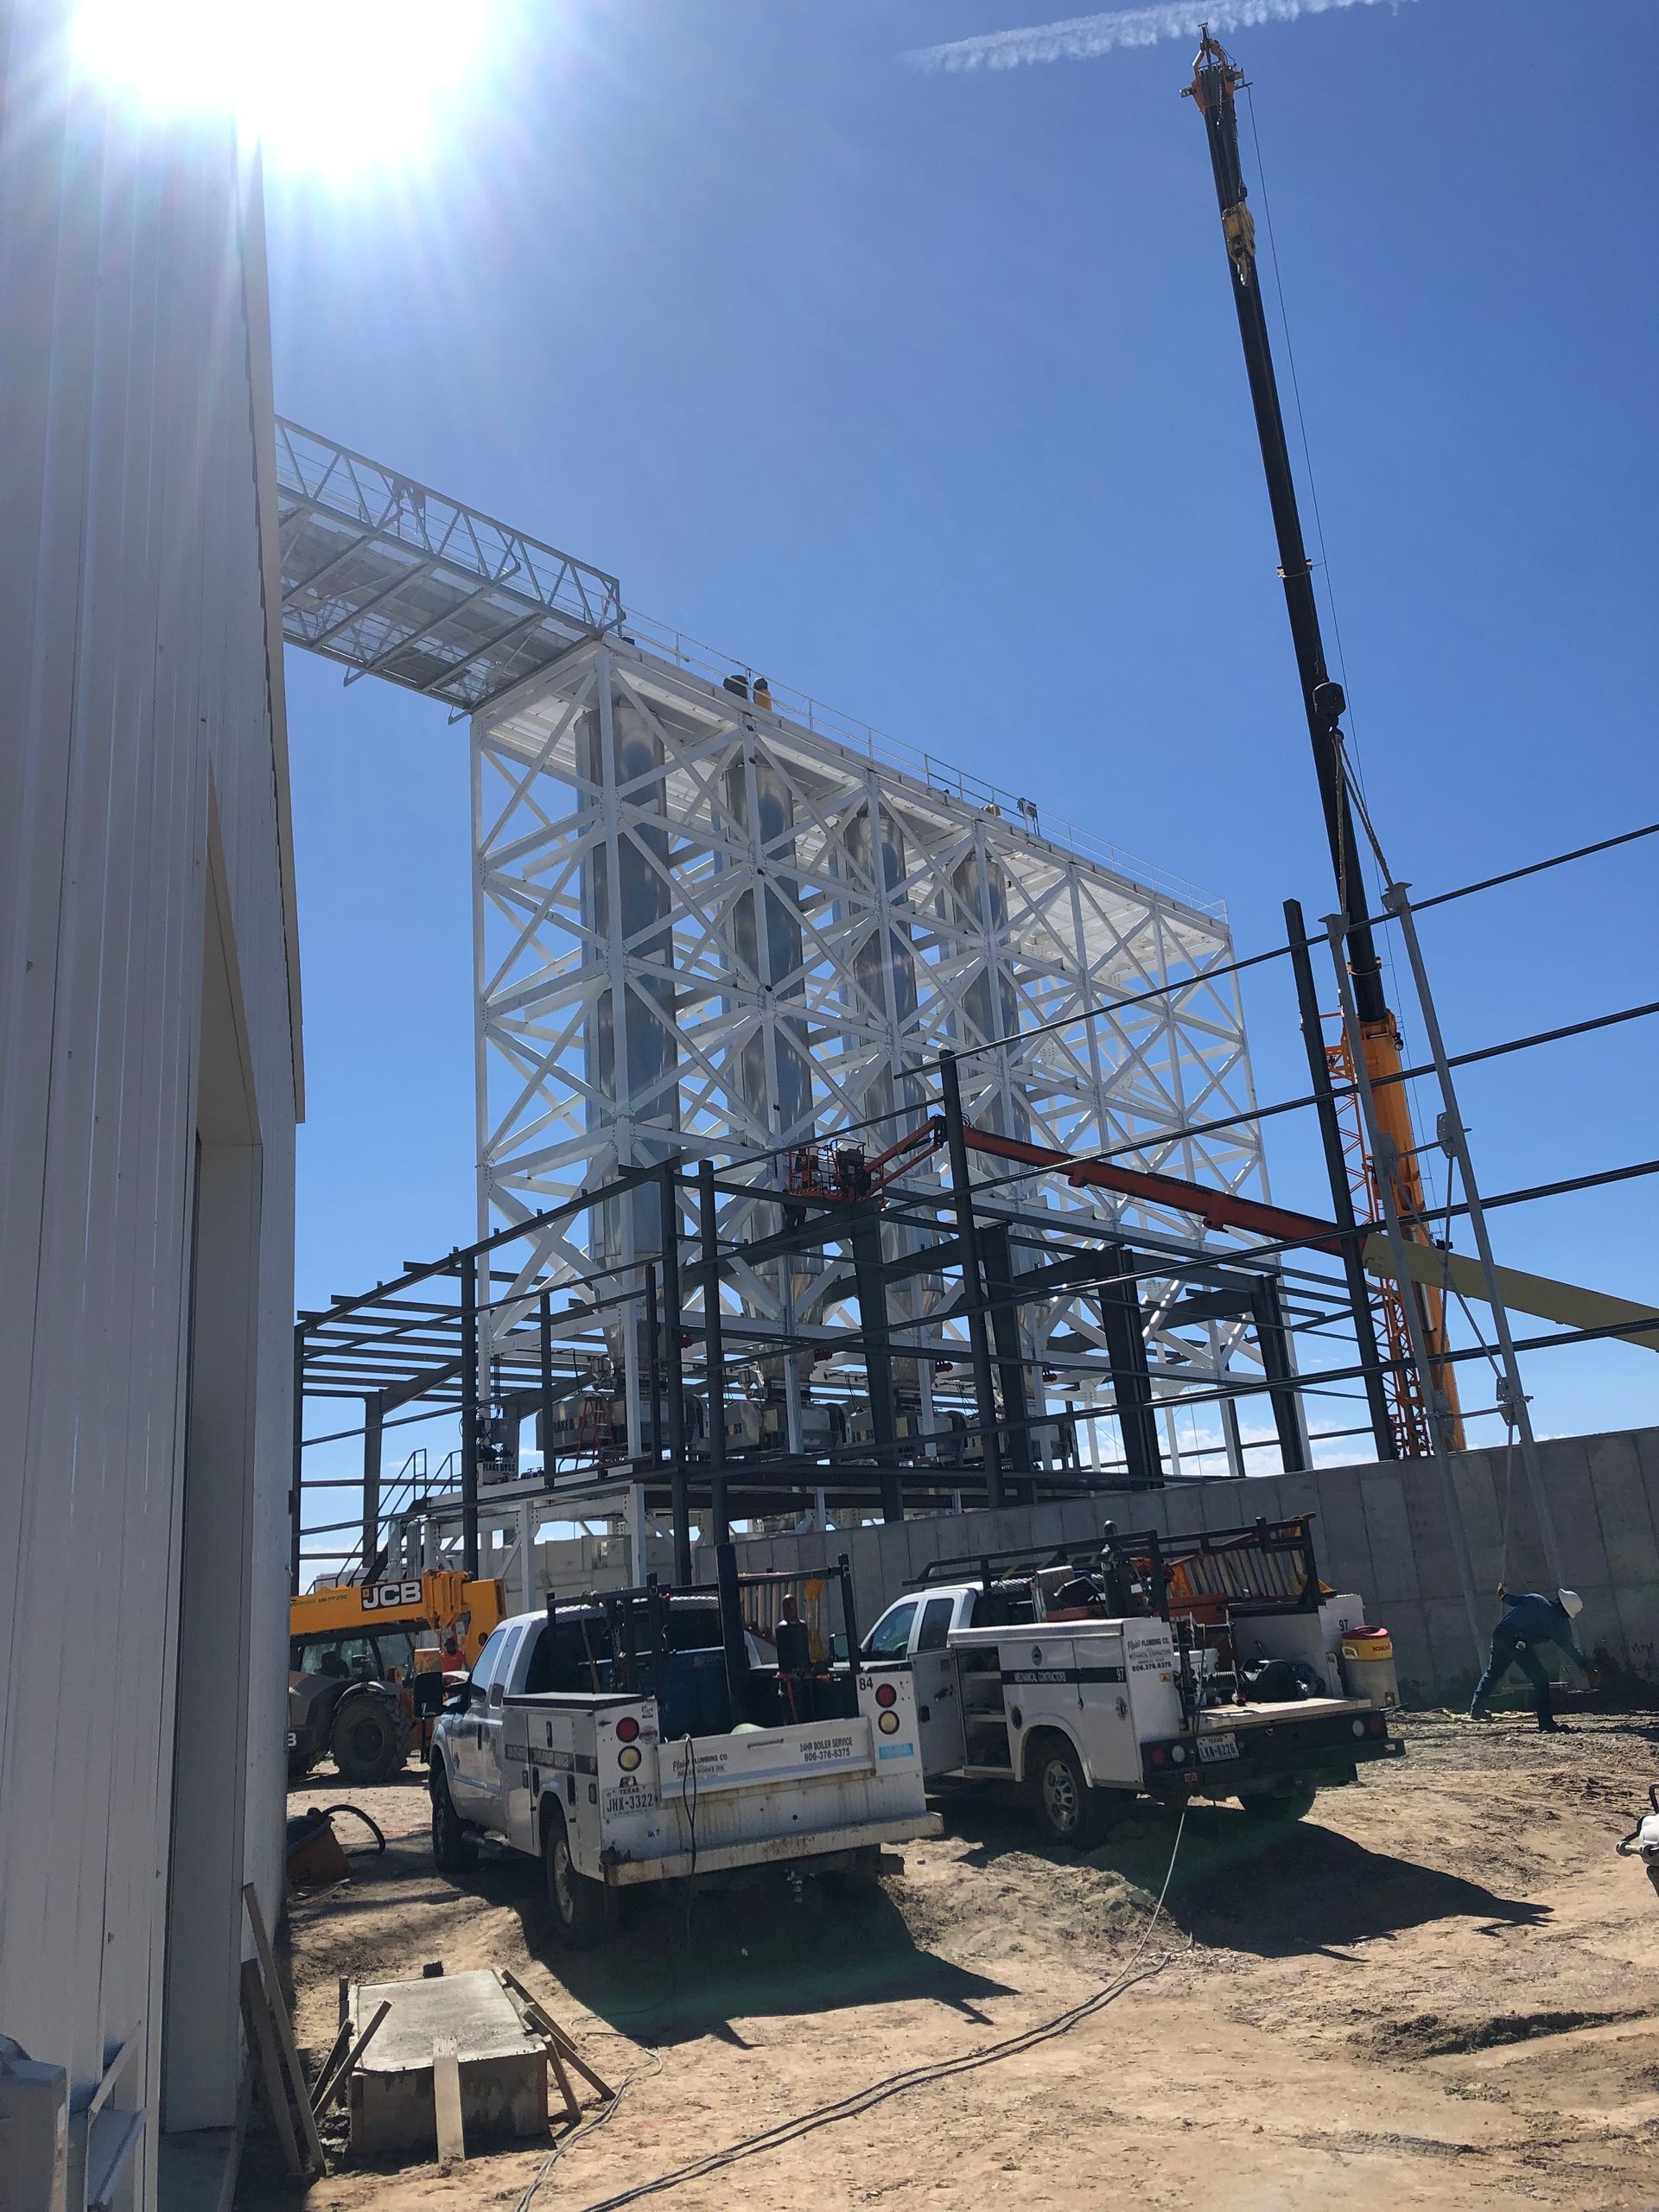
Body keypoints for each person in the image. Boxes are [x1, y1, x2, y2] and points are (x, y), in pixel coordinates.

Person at [1468, 1588, 1592, 1731]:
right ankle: (1546, 1723)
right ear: (1565, 1612)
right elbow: (1569, 1648)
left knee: (1494, 1672)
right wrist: (1586, 1667)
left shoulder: (1536, 1598)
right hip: (1517, 1642)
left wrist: (1503, 1595)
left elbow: (1512, 1600)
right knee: (1541, 1678)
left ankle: (1476, 1710)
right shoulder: (1555, 1624)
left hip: (1500, 1634)